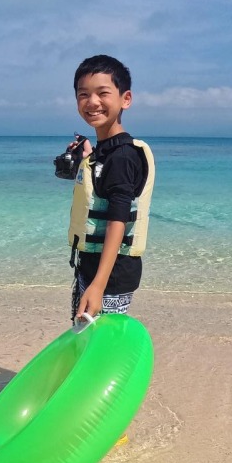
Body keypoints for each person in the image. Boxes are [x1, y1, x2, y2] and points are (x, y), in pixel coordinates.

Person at [64, 55, 155, 323]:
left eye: (102, 93)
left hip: (110, 276)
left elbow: (118, 219)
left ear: (125, 99)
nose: (92, 102)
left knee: (102, 349)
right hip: (92, 267)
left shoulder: (123, 156)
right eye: (83, 94)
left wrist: (99, 285)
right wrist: (89, 157)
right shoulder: (105, 151)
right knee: (85, 343)